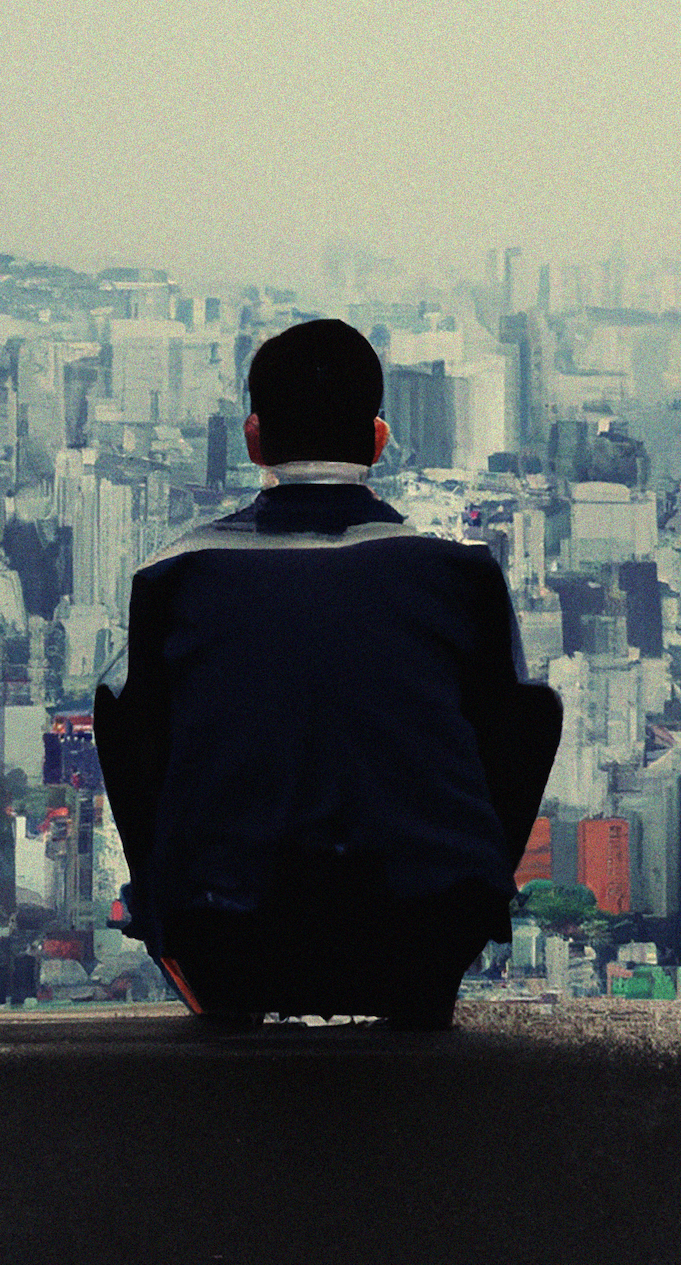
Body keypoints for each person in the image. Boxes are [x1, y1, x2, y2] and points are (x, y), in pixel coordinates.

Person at [94, 318, 560, 1027]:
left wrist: (171, 908)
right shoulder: (457, 571)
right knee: (533, 705)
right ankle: (461, 919)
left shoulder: (174, 575)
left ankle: (179, 938)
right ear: (379, 440)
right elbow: (517, 724)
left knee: (121, 702)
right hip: (420, 936)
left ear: (254, 439)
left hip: (231, 938)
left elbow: (137, 739)